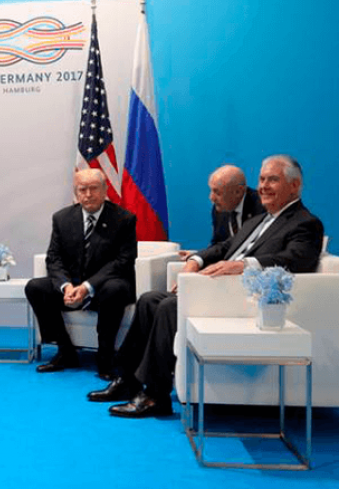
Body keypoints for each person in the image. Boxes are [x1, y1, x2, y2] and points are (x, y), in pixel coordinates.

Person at [87, 155, 324, 418]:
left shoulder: (305, 222)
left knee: (168, 307)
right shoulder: (259, 220)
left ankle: (155, 395)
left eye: (273, 180)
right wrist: (195, 260)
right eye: (262, 179)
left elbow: (296, 259)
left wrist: (243, 265)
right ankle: (127, 380)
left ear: (295, 185)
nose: (264, 186)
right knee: (149, 299)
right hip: (218, 290)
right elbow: (224, 247)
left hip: (246, 299)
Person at [25, 168, 137, 377]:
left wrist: (87, 287)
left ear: (105, 190)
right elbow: (54, 258)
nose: (88, 195)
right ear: (75, 192)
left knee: (115, 288)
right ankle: (65, 351)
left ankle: (106, 357)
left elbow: (123, 261)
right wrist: (66, 286)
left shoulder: (124, 219)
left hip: (105, 287)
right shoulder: (62, 218)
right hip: (72, 286)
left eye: (94, 188)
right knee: (36, 287)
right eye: (82, 189)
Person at [179, 165, 264, 261]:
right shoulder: (220, 209)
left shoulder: (262, 206)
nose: (211, 198)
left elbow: (255, 247)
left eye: (217, 192)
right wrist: (199, 255)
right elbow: (218, 244)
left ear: (238, 192)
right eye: (211, 190)